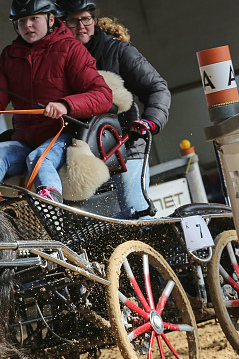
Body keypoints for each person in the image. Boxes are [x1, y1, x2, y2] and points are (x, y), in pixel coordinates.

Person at [0, 0, 112, 203]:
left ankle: (51, 205)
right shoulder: (9, 57)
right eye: (22, 21)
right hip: (26, 140)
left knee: (39, 158)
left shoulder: (71, 49)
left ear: (50, 19)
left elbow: (103, 95)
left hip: (64, 136)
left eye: (34, 19)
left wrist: (65, 105)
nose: (28, 25)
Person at [59, 0, 171, 216]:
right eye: (73, 21)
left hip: (126, 148)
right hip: (80, 157)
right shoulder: (55, 61)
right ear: (61, 25)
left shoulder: (118, 51)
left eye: (86, 19)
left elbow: (157, 88)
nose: (81, 26)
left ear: (94, 19)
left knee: (133, 213)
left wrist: (150, 122)